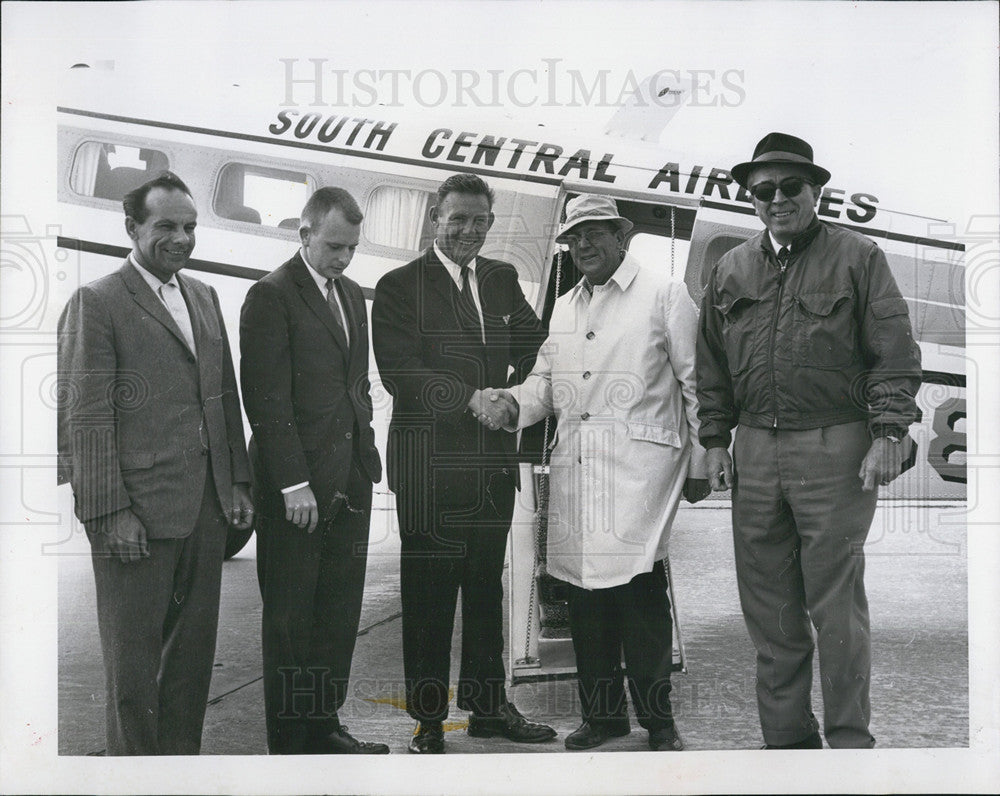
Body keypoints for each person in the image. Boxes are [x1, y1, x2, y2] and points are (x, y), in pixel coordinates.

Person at [696, 132, 922, 749]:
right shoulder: (731, 268)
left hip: (834, 450)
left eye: (789, 186)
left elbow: (894, 350)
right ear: (751, 199)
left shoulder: (858, 257)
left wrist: (889, 431)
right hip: (756, 455)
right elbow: (711, 366)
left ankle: (850, 743)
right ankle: (788, 745)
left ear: (815, 190)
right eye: (762, 190)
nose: (776, 198)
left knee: (836, 608)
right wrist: (715, 441)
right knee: (769, 612)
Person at [487, 194, 709, 752]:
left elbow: (698, 384)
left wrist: (705, 460)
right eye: (573, 237)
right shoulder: (565, 306)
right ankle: (604, 717)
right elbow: (546, 381)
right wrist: (511, 404)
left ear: (620, 236)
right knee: (585, 597)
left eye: (595, 234)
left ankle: (659, 723)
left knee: (638, 594)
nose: (582, 245)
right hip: (578, 469)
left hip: (640, 472)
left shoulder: (664, 294)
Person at [57, 171, 253, 755]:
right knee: (134, 673)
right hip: (135, 515)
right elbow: (84, 419)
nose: (181, 237)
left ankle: (178, 775)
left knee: (191, 666)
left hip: (204, 512)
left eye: (189, 226)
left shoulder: (204, 296)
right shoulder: (98, 302)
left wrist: (237, 481)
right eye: (165, 226)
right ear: (132, 229)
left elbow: (222, 394)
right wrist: (110, 511)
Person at [372, 173, 554, 754]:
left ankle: (489, 707)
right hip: (430, 470)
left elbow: (537, 346)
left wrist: (517, 398)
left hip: (491, 467)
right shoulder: (399, 286)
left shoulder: (501, 280)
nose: (469, 231)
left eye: (480, 221)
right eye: (458, 219)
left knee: (483, 590)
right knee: (428, 598)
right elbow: (399, 369)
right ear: (434, 217)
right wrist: (470, 396)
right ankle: (428, 721)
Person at [239, 187, 386, 755]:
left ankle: (324, 724)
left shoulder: (350, 294)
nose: (344, 259)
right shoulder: (270, 296)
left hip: (349, 479)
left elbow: (356, 385)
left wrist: (365, 457)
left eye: (351, 248)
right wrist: (292, 483)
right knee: (291, 619)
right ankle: (291, 743)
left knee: (337, 611)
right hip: (296, 489)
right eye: (333, 247)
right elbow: (266, 400)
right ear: (304, 234)